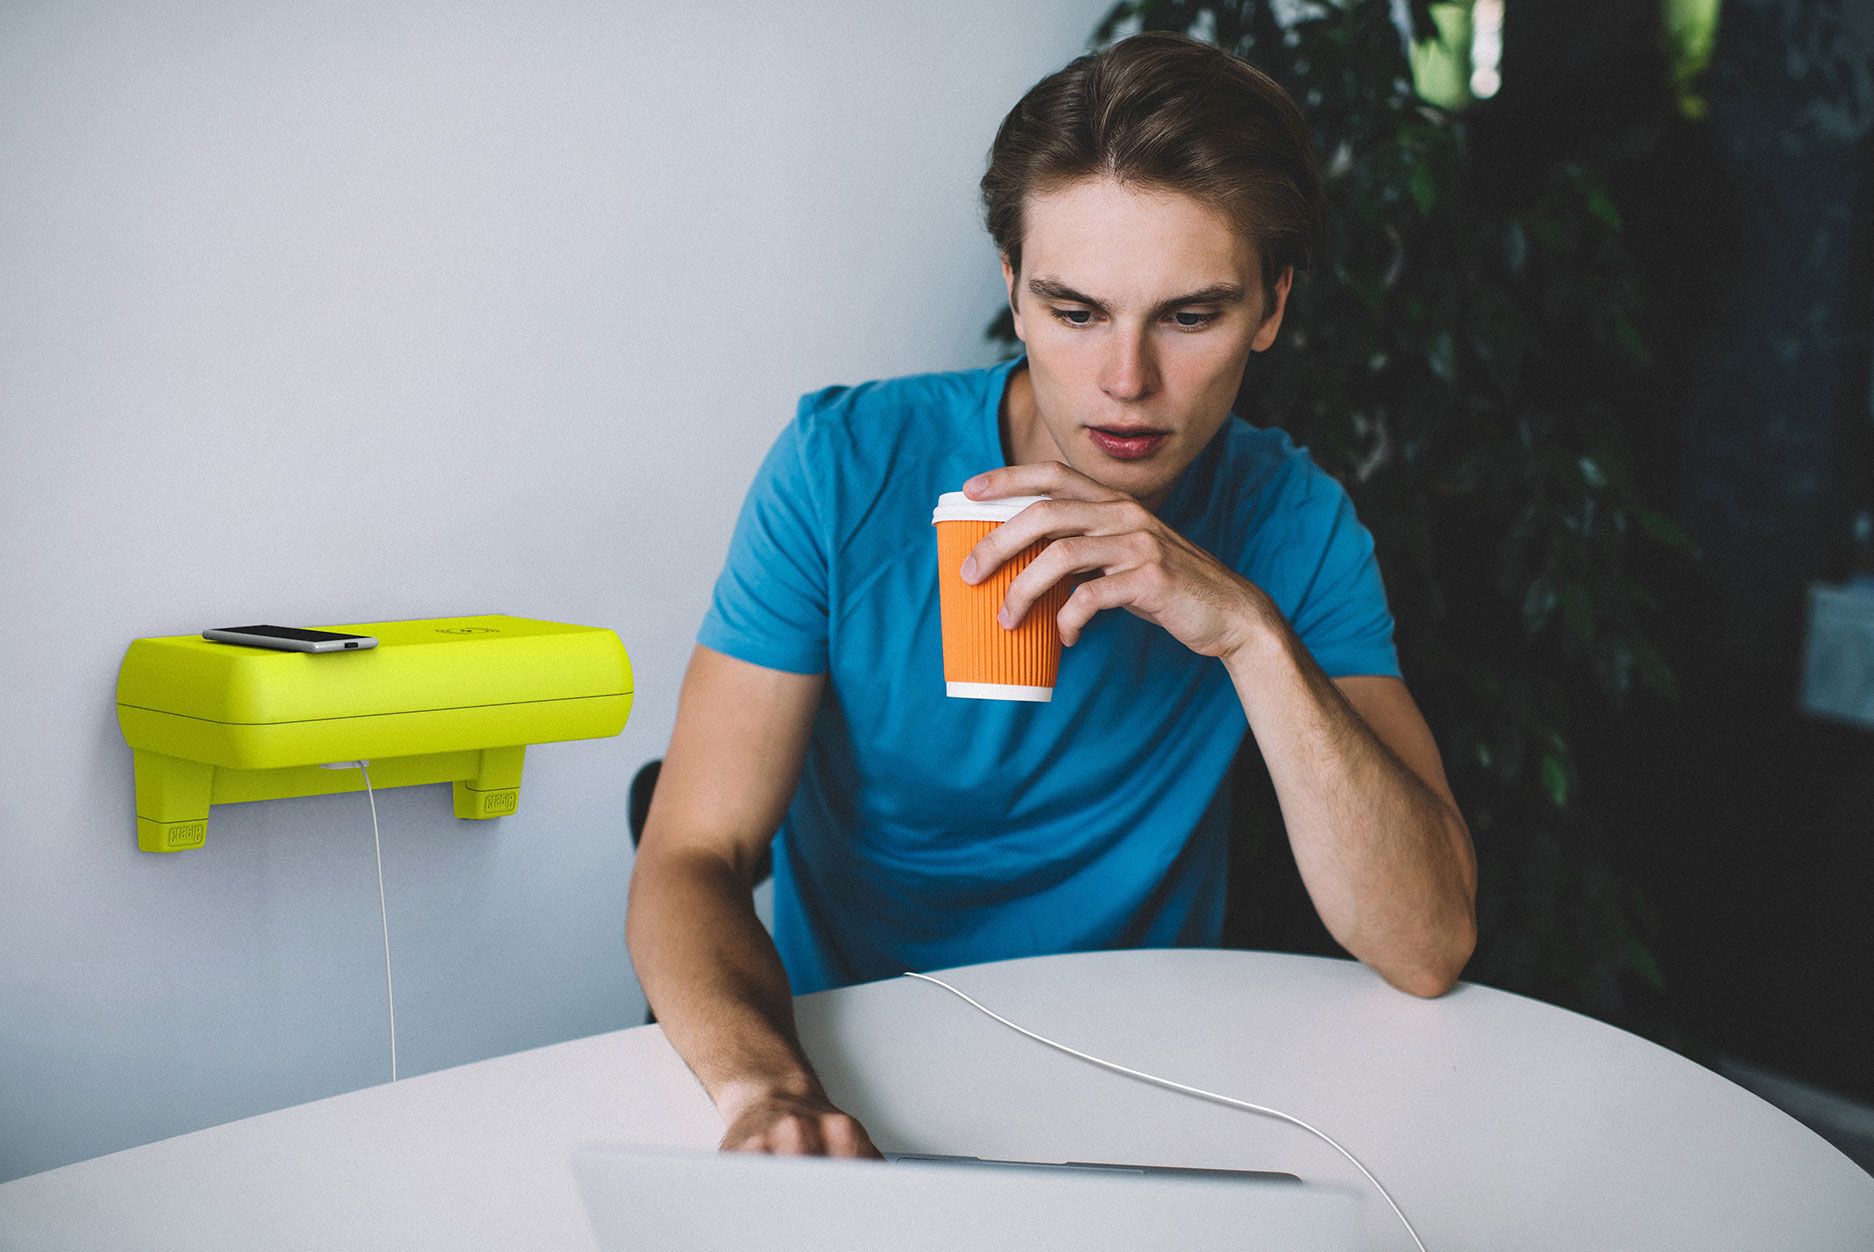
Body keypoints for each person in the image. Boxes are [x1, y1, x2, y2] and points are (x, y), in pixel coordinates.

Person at [625, 31, 1477, 1162]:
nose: (1126, 381)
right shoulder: (842, 471)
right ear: (1013, 295)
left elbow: (1424, 944)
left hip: (1143, 1086)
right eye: (1075, 312)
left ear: (1269, 308)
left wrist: (1245, 631)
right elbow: (689, 855)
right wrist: (766, 1090)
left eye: (1188, 315)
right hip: (860, 1075)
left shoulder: (1291, 521)